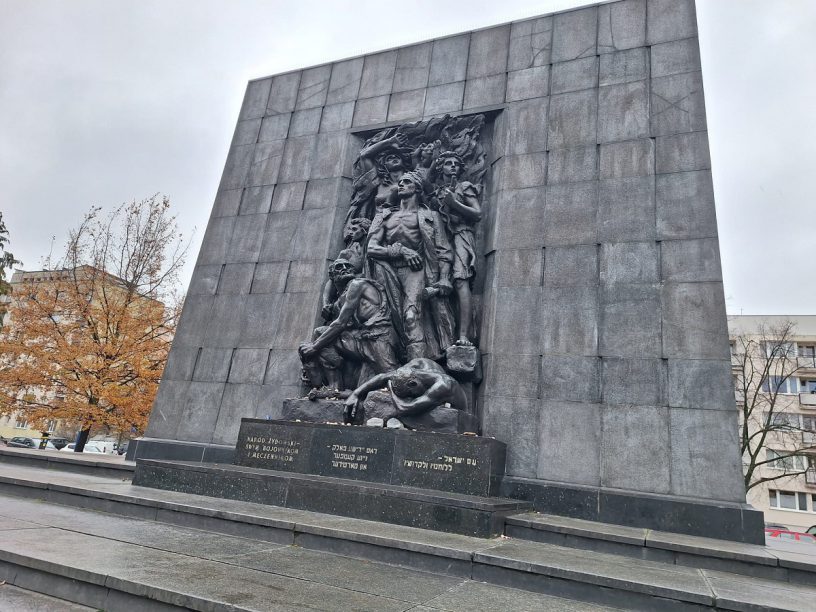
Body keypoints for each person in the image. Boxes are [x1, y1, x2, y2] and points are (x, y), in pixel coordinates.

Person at [366, 171, 455, 360]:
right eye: (400, 182)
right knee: (388, 319)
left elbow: (444, 250)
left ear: (418, 188)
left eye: (407, 182)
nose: (401, 184)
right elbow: (371, 248)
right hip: (387, 271)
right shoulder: (385, 216)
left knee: (411, 316)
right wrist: (401, 251)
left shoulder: (430, 216)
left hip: (416, 271)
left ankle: (416, 366)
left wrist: (444, 278)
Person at [299, 258, 399, 391]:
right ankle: (334, 389)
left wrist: (314, 347)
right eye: (339, 267)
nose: (345, 269)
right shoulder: (341, 299)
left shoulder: (357, 284)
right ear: (332, 276)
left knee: (392, 376)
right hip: (361, 338)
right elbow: (341, 326)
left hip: (378, 335)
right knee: (320, 333)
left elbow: (340, 323)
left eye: (348, 266)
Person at [430, 151, 482, 346]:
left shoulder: (464, 186)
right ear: (440, 167)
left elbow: (477, 213)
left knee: (461, 281)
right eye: (448, 163)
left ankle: (463, 336)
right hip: (439, 238)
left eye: (456, 164)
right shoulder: (436, 192)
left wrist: (454, 203)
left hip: (461, 234)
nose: (452, 166)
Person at [343, 357, 467, 425]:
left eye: (410, 394)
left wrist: (391, 390)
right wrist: (356, 393)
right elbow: (382, 377)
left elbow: (405, 408)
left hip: (456, 416)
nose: (411, 397)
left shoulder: (443, 385)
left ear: (413, 384)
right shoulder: (413, 368)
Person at [320, 217, 371, 322]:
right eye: (350, 229)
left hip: (368, 296)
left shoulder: (373, 248)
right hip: (348, 296)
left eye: (354, 229)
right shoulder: (346, 254)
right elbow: (332, 278)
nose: (350, 233)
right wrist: (326, 303)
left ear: (364, 231)